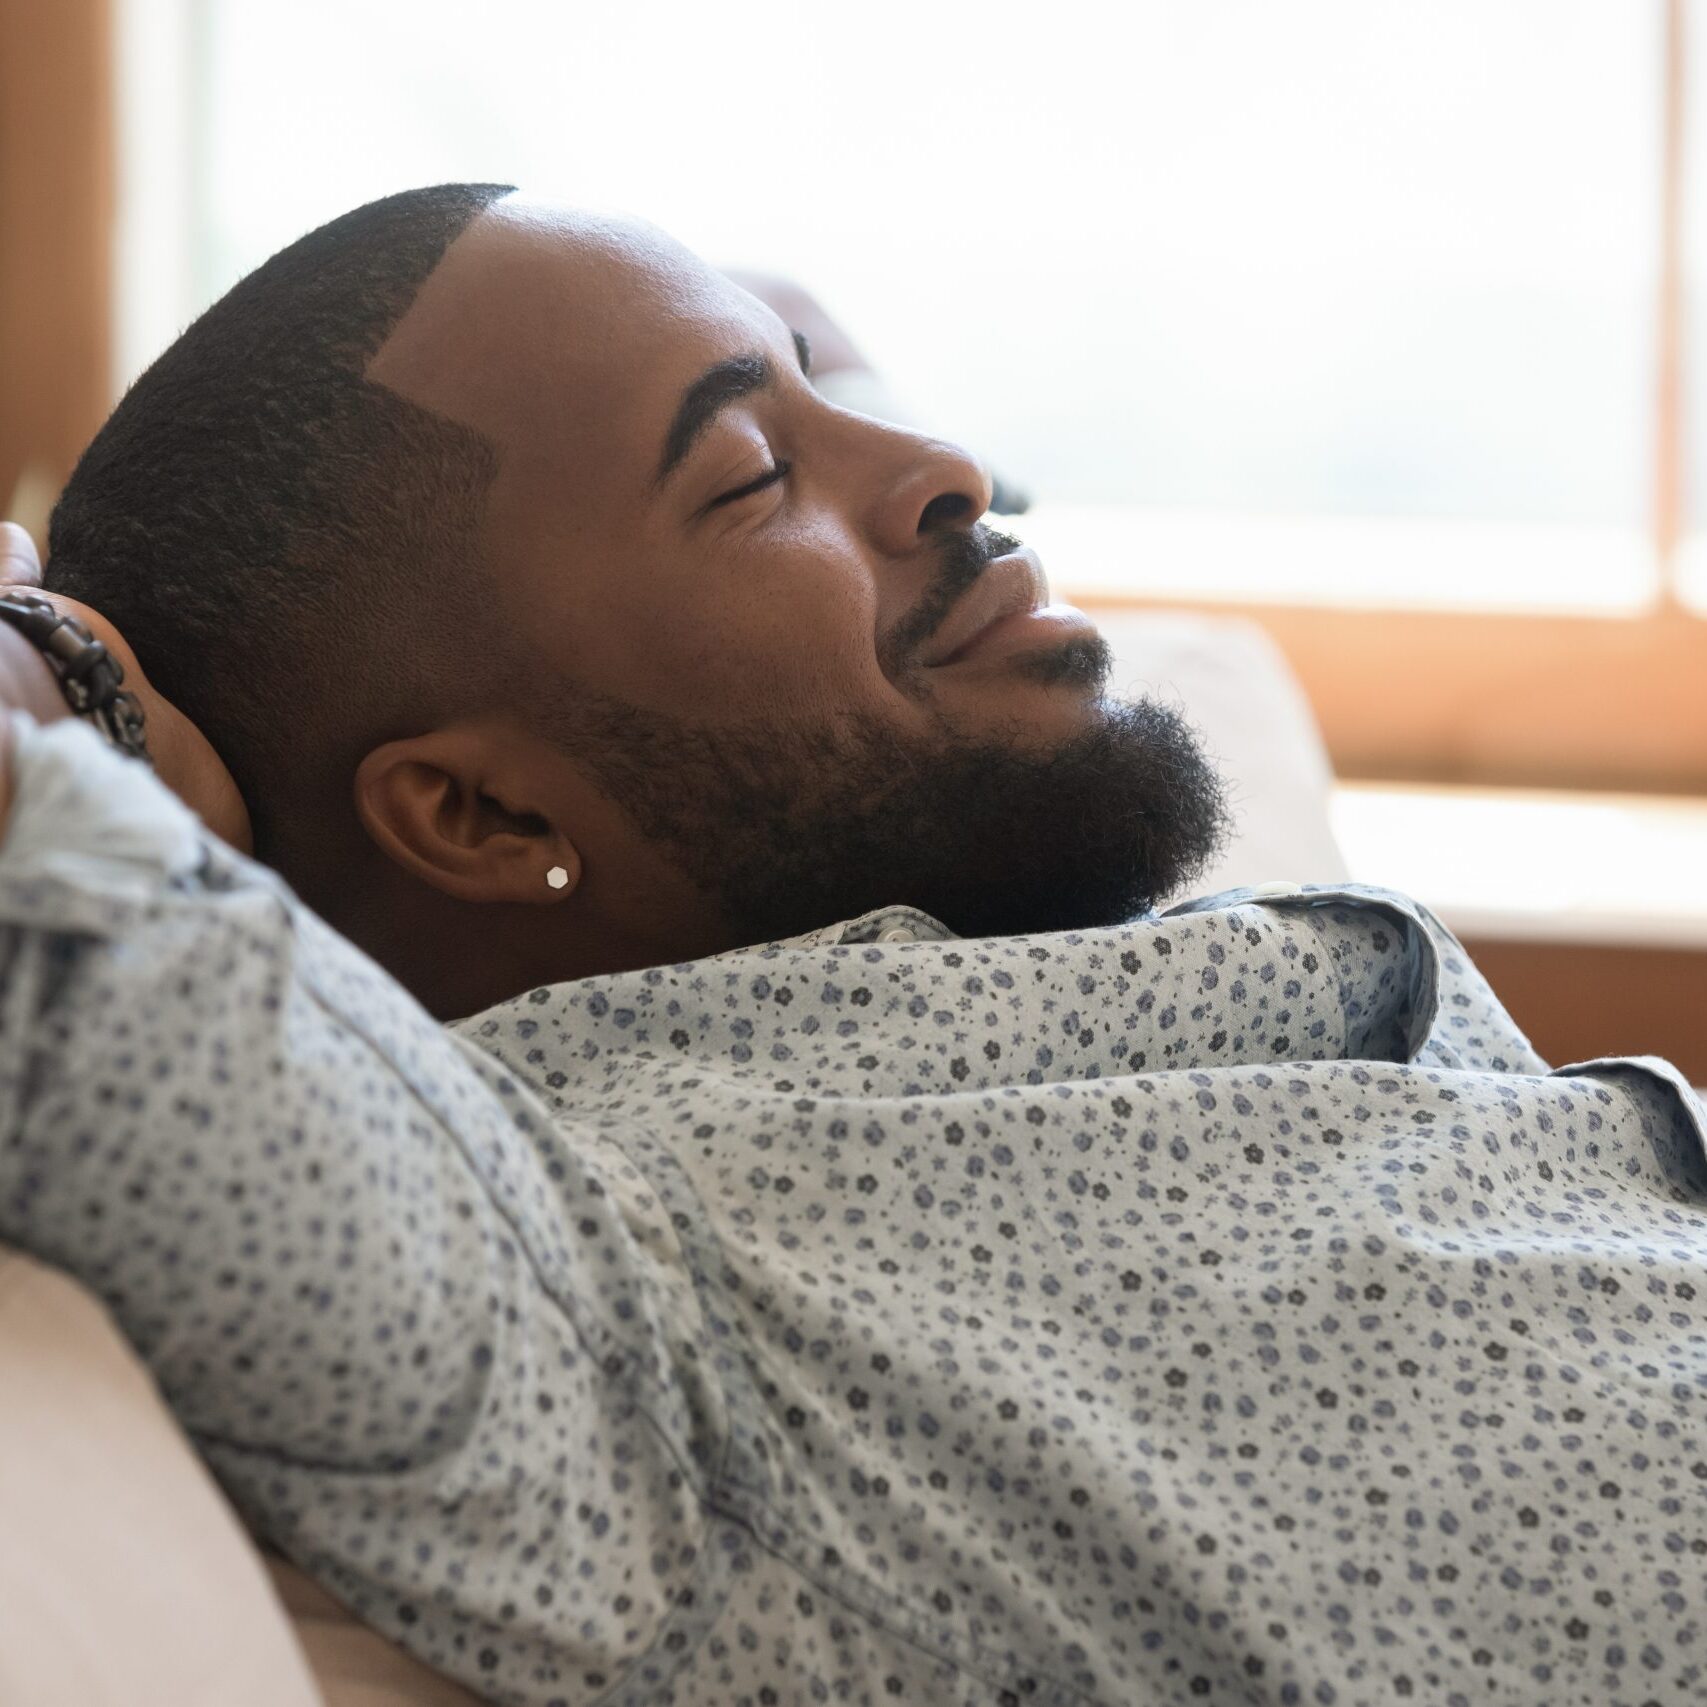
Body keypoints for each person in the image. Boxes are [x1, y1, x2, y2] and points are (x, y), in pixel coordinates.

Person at [0, 184, 1704, 1707]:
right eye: (749, 474)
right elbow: (141, 1004)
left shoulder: (1017, 991)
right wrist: (65, 670)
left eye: (835, 394)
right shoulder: (637, 1299)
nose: (946, 470)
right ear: (482, 819)